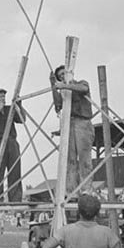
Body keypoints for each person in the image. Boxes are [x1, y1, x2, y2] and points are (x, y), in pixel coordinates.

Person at [50, 65, 95, 196]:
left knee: (84, 158)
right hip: (69, 123)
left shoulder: (81, 83)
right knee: (69, 159)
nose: (64, 77)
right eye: (61, 76)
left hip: (82, 122)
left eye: (65, 73)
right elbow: (58, 104)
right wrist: (53, 84)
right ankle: (71, 190)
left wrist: (64, 86)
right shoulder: (64, 92)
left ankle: (86, 189)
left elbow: (83, 89)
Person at [0, 87, 25, 204]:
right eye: (0, 95)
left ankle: (15, 199)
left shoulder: (10, 109)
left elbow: (22, 120)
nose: (3, 97)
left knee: (15, 170)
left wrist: (19, 106)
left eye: (4, 95)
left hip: (11, 141)